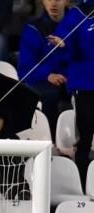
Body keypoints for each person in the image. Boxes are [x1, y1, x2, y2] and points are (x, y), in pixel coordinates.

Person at [53, 2, 94, 181]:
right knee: (85, 138)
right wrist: (63, 45)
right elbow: (64, 43)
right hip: (85, 83)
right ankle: (84, 185)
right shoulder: (78, 13)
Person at [17, 0, 70, 132]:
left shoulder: (81, 26)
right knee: (49, 94)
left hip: (74, 78)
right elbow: (25, 67)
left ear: (67, 1)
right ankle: (51, 142)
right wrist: (48, 75)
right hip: (43, 81)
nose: (53, 3)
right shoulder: (33, 28)